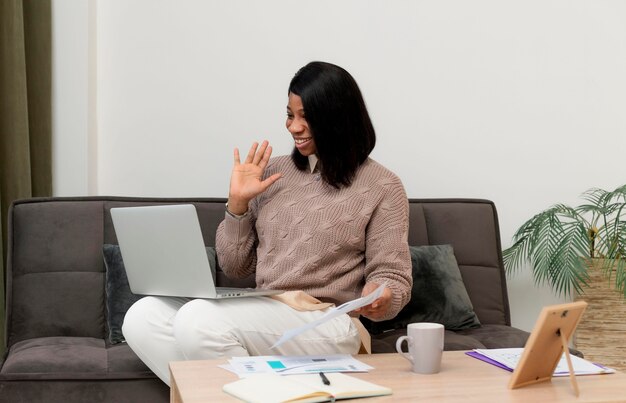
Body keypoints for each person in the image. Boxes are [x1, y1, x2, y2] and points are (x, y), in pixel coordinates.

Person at [122, 61, 412, 386]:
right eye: (290, 114)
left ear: (337, 118)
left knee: (199, 320)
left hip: (326, 320)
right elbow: (235, 266)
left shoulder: (383, 185)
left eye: (306, 117)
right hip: (262, 309)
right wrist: (237, 205)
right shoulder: (272, 173)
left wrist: (382, 295)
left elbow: (392, 275)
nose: (294, 127)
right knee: (141, 316)